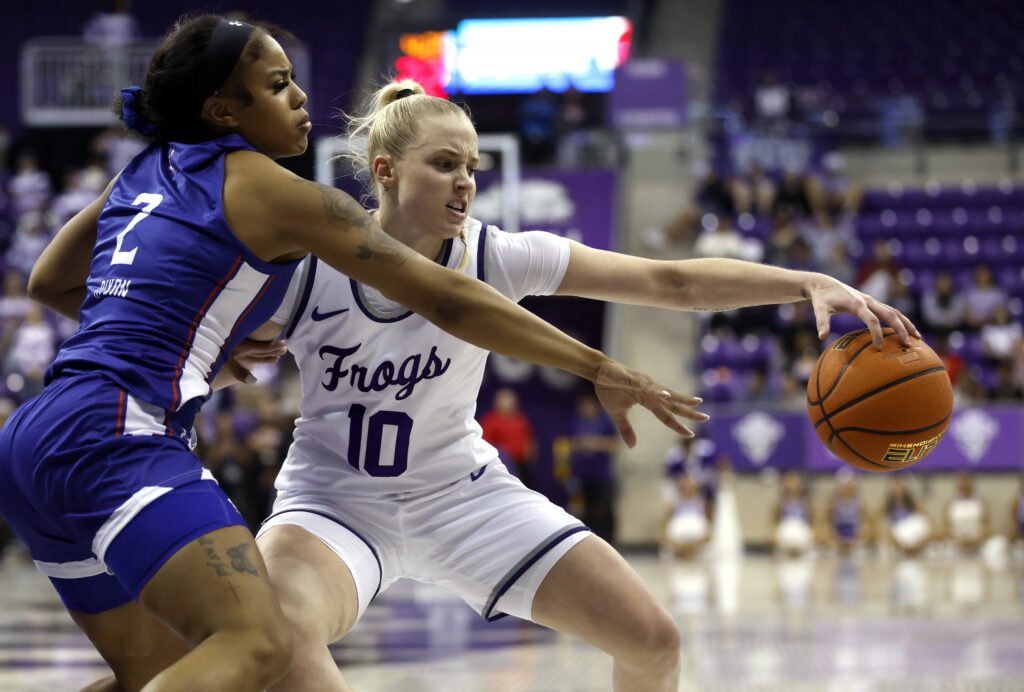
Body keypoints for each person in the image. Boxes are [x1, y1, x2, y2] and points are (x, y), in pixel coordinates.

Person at [3, 18, 704, 692]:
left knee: (154, 674)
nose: (302, 97)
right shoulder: (286, 195)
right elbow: (451, 301)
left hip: (32, 437)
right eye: (278, 85)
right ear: (222, 111)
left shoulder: (143, 171)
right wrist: (602, 366)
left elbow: (50, 280)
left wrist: (201, 340)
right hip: (122, 431)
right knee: (260, 645)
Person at [234, 80, 915, 692]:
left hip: (461, 494)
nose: (465, 182)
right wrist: (225, 349)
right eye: (444, 165)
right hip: (332, 502)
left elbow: (666, 280)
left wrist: (804, 282)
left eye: (472, 167)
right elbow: (182, 334)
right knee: (281, 640)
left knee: (653, 640)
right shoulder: (309, 264)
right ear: (384, 171)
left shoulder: (498, 253)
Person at [568, 392, 619, 543]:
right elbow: (569, 444)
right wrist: (580, 444)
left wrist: (597, 444)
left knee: (604, 509)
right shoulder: (576, 423)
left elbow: (614, 445)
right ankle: (589, 541)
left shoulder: (604, 423)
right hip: (583, 475)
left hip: (601, 475)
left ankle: (609, 541)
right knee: (584, 511)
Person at [479, 387, 537, 490]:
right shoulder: (491, 420)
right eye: (504, 400)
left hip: (521, 464)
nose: (507, 403)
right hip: (503, 464)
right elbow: (485, 443)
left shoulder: (520, 419)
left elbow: (528, 440)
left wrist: (530, 455)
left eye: (510, 400)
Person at [774, 471, 814, 557]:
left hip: (801, 530)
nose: (792, 485)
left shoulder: (805, 503)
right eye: (790, 482)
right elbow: (774, 521)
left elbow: (812, 522)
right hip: (786, 530)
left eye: (795, 482)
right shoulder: (781, 503)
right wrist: (774, 536)